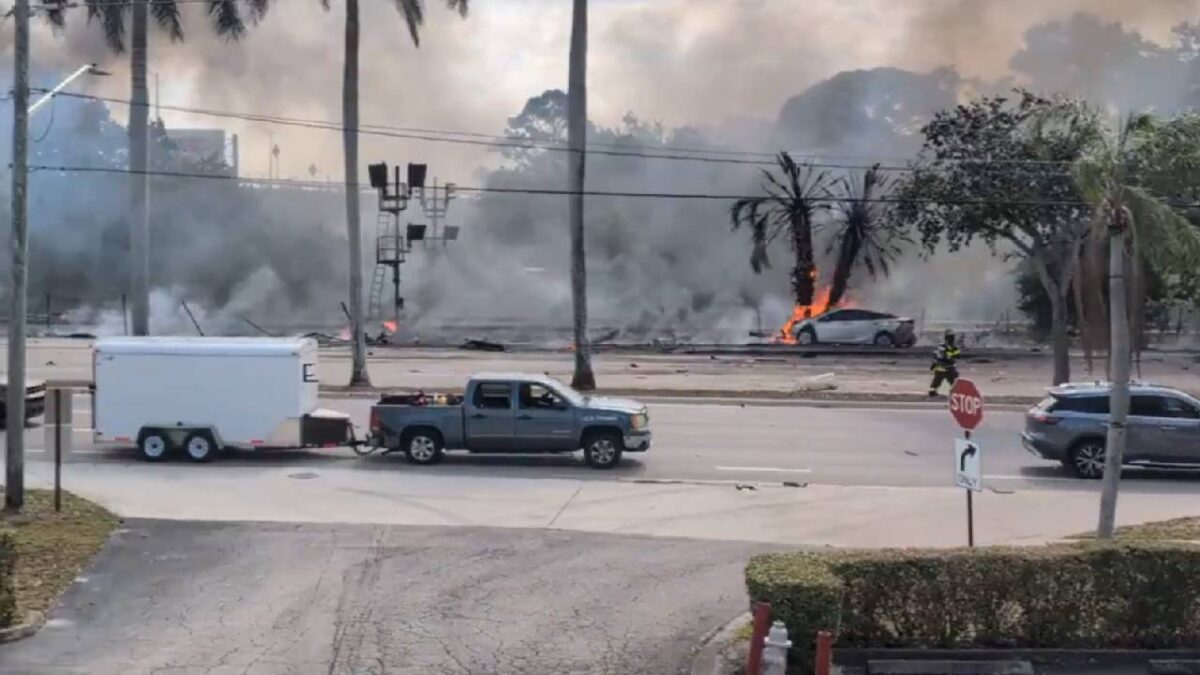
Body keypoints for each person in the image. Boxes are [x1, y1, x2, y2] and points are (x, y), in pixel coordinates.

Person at [928, 329, 962, 396]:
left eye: (952, 337)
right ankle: (932, 392)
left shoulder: (954, 347)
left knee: (955, 382)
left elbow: (957, 356)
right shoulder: (942, 346)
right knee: (937, 381)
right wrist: (934, 364)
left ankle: (957, 393)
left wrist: (949, 351)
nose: (951, 339)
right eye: (950, 337)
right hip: (943, 367)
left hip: (949, 367)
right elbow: (937, 356)